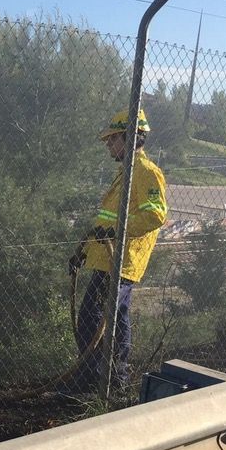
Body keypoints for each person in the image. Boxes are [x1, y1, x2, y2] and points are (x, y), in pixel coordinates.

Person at [69, 109, 166, 393]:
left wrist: (116, 231)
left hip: (121, 261)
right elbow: (105, 223)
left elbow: (155, 216)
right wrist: (82, 252)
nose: (109, 145)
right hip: (109, 260)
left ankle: (94, 381)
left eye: (113, 139)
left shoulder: (146, 173)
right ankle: (113, 380)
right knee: (115, 318)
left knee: (92, 317)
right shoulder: (127, 173)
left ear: (132, 137)